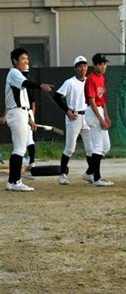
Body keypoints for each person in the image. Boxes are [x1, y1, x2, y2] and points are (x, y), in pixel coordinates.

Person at [4, 48, 52, 191]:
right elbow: (26, 83)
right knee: (19, 149)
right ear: (15, 61)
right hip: (17, 113)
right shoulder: (13, 73)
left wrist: (30, 118)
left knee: (19, 148)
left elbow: (25, 97)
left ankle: (12, 182)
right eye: (23, 58)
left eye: (27, 58)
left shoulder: (19, 74)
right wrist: (40, 86)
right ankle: (15, 182)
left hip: (22, 113)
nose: (27, 61)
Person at [53, 55, 94, 185]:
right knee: (70, 148)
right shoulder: (70, 82)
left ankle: (90, 173)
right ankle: (63, 174)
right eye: (80, 66)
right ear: (76, 68)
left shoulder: (89, 81)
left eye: (85, 65)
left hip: (87, 116)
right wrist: (67, 111)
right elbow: (57, 96)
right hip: (74, 116)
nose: (83, 68)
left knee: (91, 148)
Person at [84, 53, 114, 187]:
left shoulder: (101, 77)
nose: (104, 66)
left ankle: (90, 172)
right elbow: (91, 101)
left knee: (106, 146)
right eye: (101, 64)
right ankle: (97, 178)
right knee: (98, 145)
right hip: (93, 111)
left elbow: (103, 99)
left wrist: (106, 116)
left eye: (105, 63)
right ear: (95, 65)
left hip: (100, 109)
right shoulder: (91, 78)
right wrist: (100, 118)